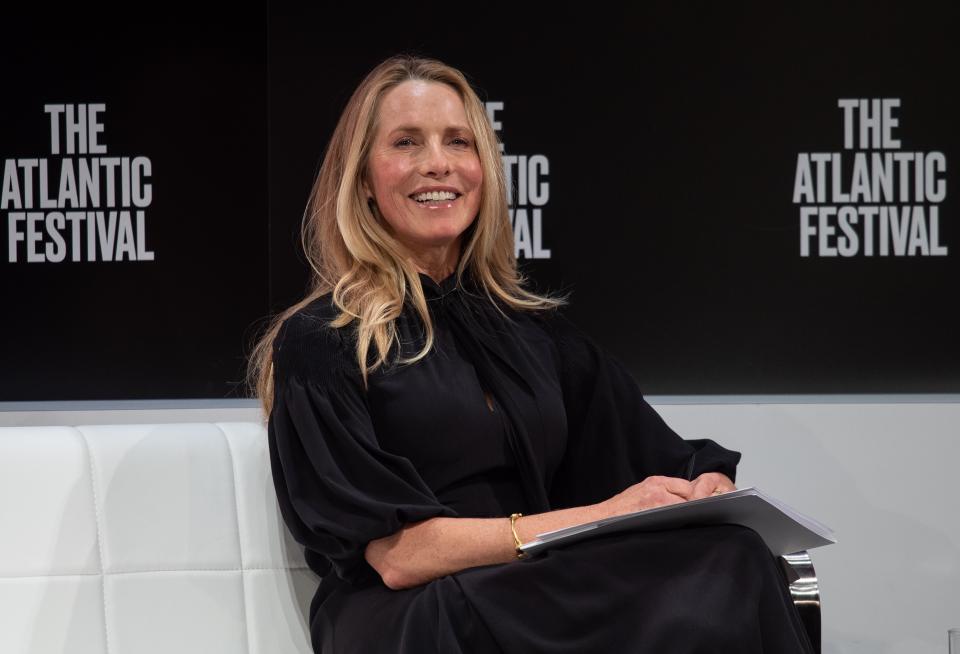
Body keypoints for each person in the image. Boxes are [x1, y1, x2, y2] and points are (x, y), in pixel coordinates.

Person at [249, 55, 814, 653]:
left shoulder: (532, 332)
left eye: (458, 141)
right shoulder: (323, 339)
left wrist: (707, 485)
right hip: (413, 612)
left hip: (532, 583)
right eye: (406, 142)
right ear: (363, 178)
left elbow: (660, 454)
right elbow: (399, 556)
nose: (437, 163)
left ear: (484, 169)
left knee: (735, 554)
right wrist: (586, 521)